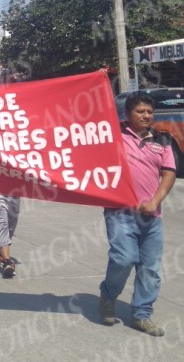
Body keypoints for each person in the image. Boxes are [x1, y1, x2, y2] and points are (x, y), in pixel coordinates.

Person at [99, 91, 176, 336]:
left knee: (149, 267)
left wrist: (155, 201)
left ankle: (142, 315)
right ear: (127, 114)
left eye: (149, 112)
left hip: (152, 216)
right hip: (119, 212)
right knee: (123, 258)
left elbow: (169, 173)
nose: (146, 116)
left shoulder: (163, 139)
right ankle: (108, 296)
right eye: (140, 111)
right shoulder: (113, 136)